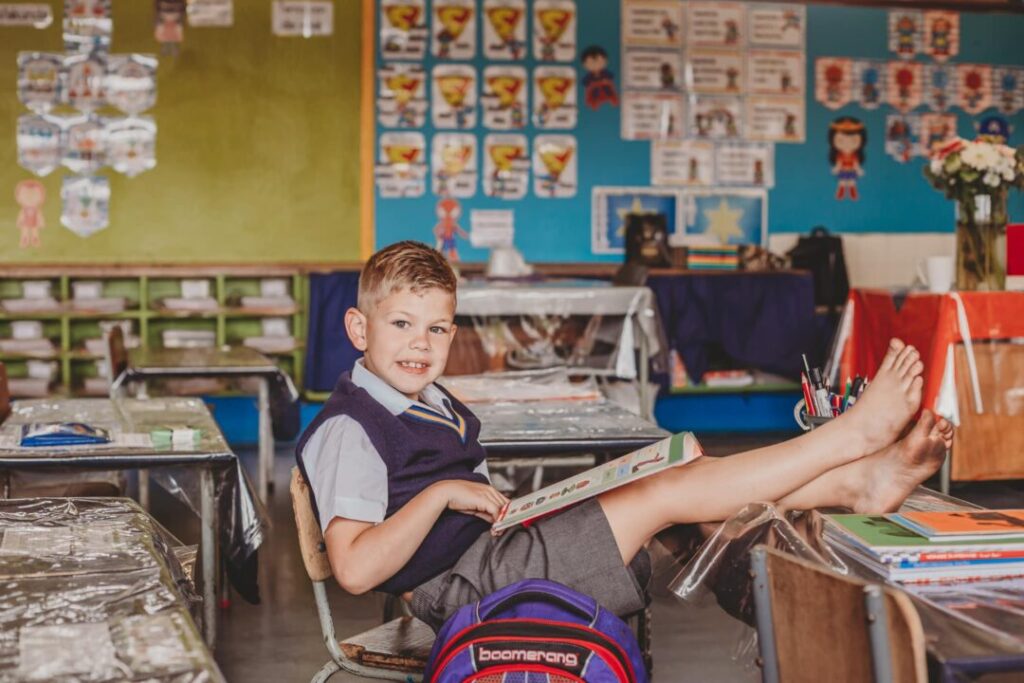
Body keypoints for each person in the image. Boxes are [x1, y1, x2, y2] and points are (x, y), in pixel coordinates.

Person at [296, 240, 953, 631]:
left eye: (436, 328)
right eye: (402, 325)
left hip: (486, 555)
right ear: (358, 329)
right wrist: (441, 493)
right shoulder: (349, 427)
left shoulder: (426, 397)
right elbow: (354, 569)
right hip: (460, 589)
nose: (421, 344)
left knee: (673, 479)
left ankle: (852, 480)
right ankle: (847, 442)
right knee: (663, 495)